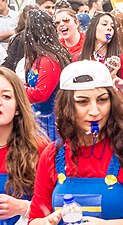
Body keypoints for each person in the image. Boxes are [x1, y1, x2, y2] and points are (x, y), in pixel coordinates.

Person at [28, 60, 123, 225]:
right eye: (82, 102)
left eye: (102, 100)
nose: (95, 111)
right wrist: (45, 222)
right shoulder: (52, 155)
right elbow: (35, 218)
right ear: (66, 106)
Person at [0, 67, 49, 225]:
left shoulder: (39, 149)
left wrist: (24, 208)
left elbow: (56, 207)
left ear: (17, 108)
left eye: (6, 96)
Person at [24, 10, 72, 141]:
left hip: (50, 123)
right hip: (41, 120)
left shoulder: (48, 60)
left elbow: (41, 94)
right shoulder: (42, 56)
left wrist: (18, 89)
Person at [77, 12, 123, 83]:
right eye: (104, 24)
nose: (109, 28)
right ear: (93, 28)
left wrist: (114, 78)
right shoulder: (79, 58)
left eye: (112, 27)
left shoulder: (120, 59)